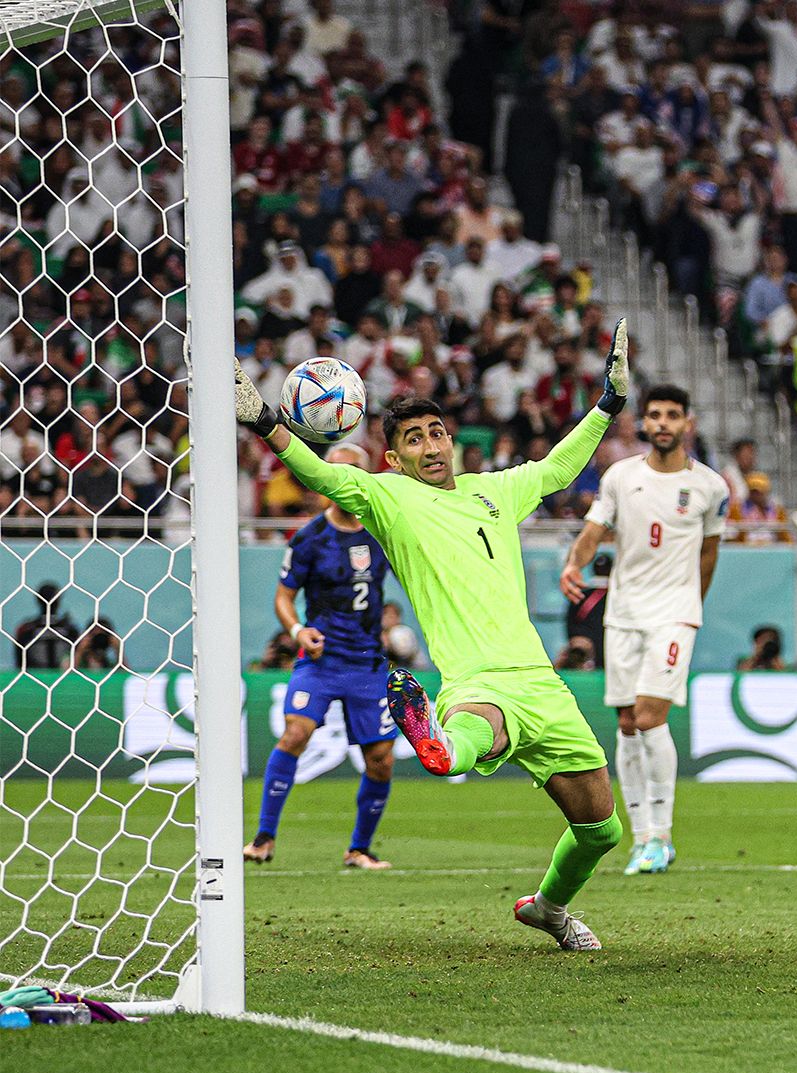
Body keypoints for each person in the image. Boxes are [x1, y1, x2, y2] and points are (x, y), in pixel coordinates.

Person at [231, 320, 634, 952]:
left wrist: (608, 403)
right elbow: (323, 476)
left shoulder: (496, 490)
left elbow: (559, 467)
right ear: (394, 458)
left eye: (437, 432)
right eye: (413, 439)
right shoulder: (388, 497)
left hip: (541, 681)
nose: (431, 445)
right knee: (480, 729)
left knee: (602, 828)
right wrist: (263, 423)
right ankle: (441, 744)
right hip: (476, 680)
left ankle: (549, 909)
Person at [561, 384, 728, 876]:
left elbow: (709, 552)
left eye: (672, 415)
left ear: (687, 423)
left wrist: (691, 603)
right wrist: (575, 564)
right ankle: (640, 837)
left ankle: (661, 834)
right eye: (654, 415)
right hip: (624, 612)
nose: (662, 423)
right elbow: (594, 530)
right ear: (642, 423)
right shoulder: (619, 476)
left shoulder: (711, 487)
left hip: (674, 613)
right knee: (628, 723)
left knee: (652, 715)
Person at [243, 443, 398, 870]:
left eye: (352, 474)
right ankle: (263, 838)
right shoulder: (311, 537)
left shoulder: (384, 531)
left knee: (380, 761)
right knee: (296, 734)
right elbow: (283, 597)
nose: (343, 482)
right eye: (335, 474)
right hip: (321, 659)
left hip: (368, 663)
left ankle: (359, 849)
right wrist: (297, 630)